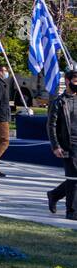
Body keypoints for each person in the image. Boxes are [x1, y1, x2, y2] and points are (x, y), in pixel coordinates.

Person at [46, 67, 77, 219]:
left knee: (75, 178)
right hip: (68, 145)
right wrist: (55, 146)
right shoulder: (59, 102)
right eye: (75, 80)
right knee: (73, 178)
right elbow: (51, 125)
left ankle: (54, 195)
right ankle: (71, 212)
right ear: (67, 81)